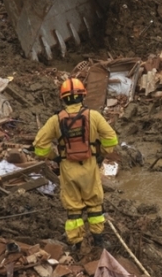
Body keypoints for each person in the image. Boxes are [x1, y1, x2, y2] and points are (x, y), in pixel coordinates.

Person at [34, 78, 118, 248]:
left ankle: (76, 244)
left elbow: (39, 147)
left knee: (73, 209)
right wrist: (101, 153)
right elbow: (111, 139)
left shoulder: (55, 120)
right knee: (94, 204)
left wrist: (54, 157)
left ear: (63, 98)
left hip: (68, 168)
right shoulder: (94, 116)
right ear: (82, 96)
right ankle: (99, 241)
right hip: (89, 166)